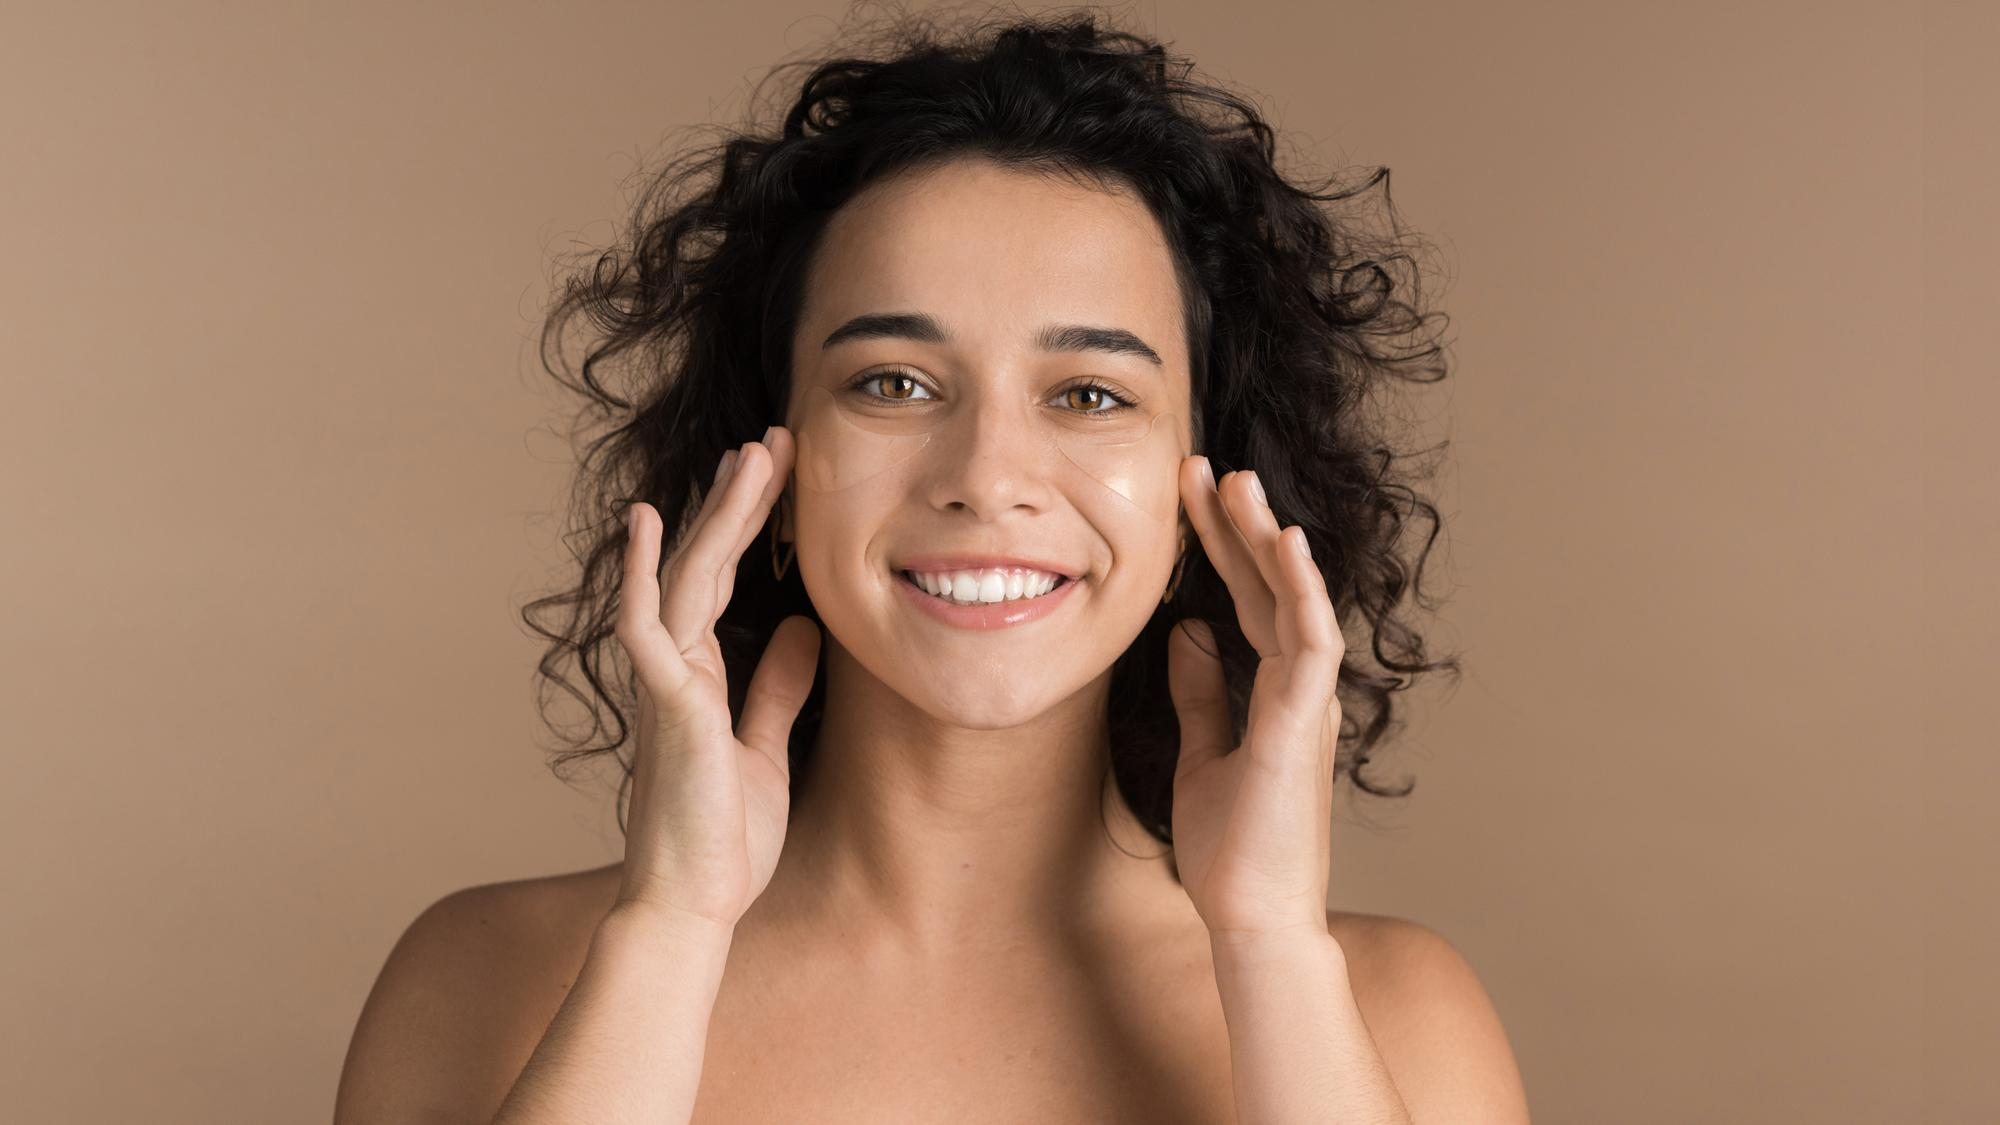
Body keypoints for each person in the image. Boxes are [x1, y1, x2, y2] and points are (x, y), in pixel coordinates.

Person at [335, 10, 1529, 1123]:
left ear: (1203, 499)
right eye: (892, 384)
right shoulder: (481, 980)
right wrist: (669, 928)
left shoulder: (1399, 1017)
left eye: (1089, 394)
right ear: (772, 466)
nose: (985, 473)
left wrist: (1267, 945)